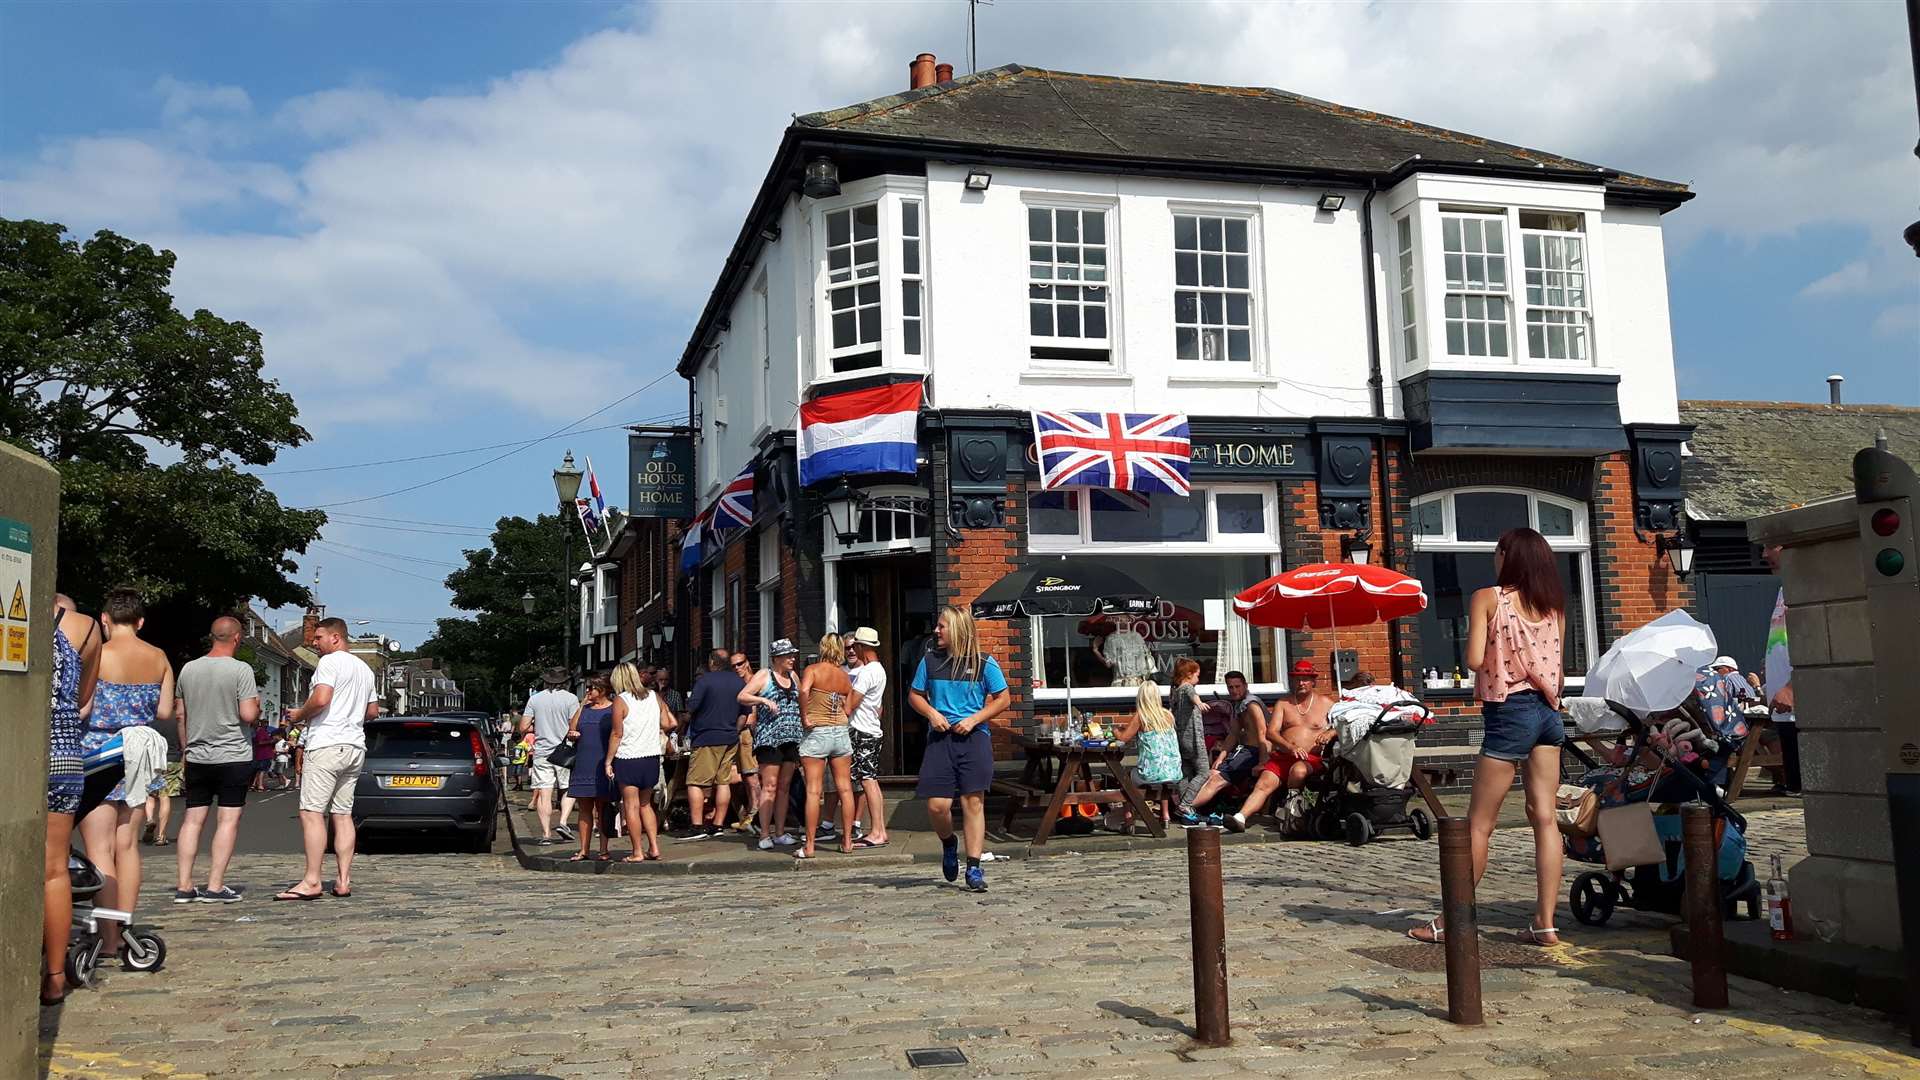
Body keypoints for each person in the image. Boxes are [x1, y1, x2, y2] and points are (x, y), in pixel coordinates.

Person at [1411, 527, 1566, 946]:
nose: (1494, 559)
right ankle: (1546, 921)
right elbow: (1558, 670)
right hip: (1549, 714)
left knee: (1480, 824)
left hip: (1509, 710)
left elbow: (1475, 658)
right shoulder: (1554, 607)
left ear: (1508, 557)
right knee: (1545, 817)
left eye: (1498, 552)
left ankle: (1450, 921)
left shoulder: (1488, 598)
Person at [78, 588, 175, 960]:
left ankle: (107, 936)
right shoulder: (159, 657)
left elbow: (82, 707)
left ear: (104, 620)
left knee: (98, 847)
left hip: (99, 754)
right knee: (128, 846)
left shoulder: (97, 654)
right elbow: (165, 710)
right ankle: (125, 924)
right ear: (140, 622)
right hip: (139, 754)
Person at [275, 617, 378, 901]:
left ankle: (312, 880)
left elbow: (321, 699)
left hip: (327, 743)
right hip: (354, 745)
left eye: (319, 638)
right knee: (342, 814)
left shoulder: (330, 663)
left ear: (335, 637)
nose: (314, 643)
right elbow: (372, 712)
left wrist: (299, 715)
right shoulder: (364, 669)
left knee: (311, 812)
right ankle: (343, 880)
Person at [911, 606, 1011, 891]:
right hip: (940, 740)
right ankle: (949, 843)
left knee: (973, 802)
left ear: (957, 629)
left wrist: (974, 719)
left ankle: (975, 867)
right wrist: (931, 713)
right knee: (937, 805)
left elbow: (1003, 699)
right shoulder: (929, 661)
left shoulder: (984, 663)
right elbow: (915, 696)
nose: (936, 630)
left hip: (974, 738)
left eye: (942, 626)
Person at [172, 616, 263, 904]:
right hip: (233, 754)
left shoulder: (188, 669)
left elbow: (180, 714)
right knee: (227, 820)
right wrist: (257, 709)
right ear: (237, 638)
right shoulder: (240, 670)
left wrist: (187, 749)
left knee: (192, 819)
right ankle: (214, 885)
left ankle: (185, 885)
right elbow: (248, 714)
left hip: (198, 754)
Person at [43, 595, 102, 1006]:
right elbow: (84, 697)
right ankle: (55, 976)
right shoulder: (85, 628)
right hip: (62, 753)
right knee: (53, 870)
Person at [1224, 661, 1335, 833]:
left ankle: (1293, 810)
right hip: (1284, 755)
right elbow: (1271, 733)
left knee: (1298, 771)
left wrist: (1330, 733)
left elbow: (1343, 724)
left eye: (1305, 679)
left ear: (1313, 681)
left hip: (1310, 758)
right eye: (1297, 679)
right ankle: (1240, 818)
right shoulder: (1284, 703)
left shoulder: (1327, 703)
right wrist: (1289, 747)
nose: (1301, 683)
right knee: (1264, 782)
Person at [796, 633, 858, 859]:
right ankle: (848, 841)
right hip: (840, 732)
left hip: (817, 731)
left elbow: (803, 691)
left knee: (813, 790)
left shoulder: (813, 670)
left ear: (822, 648)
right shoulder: (844, 676)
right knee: (845, 788)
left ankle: (810, 846)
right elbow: (848, 708)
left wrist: (805, 716)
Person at [1178, 671, 1270, 820]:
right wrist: (1221, 757)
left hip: (1255, 752)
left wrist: (1263, 762)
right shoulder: (1238, 705)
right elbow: (1233, 734)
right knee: (1212, 773)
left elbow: (1262, 733)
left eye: (1237, 686)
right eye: (1230, 687)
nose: (1234, 690)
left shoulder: (1252, 704)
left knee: (1216, 779)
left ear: (1245, 685)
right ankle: (1188, 807)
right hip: (1244, 751)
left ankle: (1187, 807)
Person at [740, 638, 803, 849]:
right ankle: (764, 833)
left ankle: (780, 832)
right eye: (788, 656)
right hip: (770, 739)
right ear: (777, 658)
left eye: (793, 655)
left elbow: (802, 699)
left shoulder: (794, 676)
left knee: (784, 787)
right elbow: (742, 696)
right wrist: (763, 700)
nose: (792, 659)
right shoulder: (764, 675)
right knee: (770, 786)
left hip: (791, 737)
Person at [683, 649, 746, 839]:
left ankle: (697, 826)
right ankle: (718, 825)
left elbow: (691, 707)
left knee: (695, 782)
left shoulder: (705, 681)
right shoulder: (738, 682)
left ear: (712, 662)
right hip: (730, 737)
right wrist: (735, 730)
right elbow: (745, 712)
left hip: (706, 737)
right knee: (723, 781)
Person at [608, 663, 666, 862]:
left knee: (631, 806)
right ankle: (655, 847)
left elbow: (617, 734)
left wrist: (608, 760)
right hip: (651, 756)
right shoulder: (654, 696)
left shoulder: (620, 700)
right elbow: (667, 722)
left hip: (629, 758)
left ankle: (637, 852)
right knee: (645, 804)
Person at [522, 667, 580, 845]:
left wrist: (537, 727)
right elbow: (574, 726)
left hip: (542, 751)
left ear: (546, 680)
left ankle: (546, 834)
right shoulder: (571, 699)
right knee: (569, 788)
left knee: (544, 792)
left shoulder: (535, 699)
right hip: (564, 751)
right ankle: (563, 822)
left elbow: (523, 727)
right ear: (565, 681)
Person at [1114, 677, 1182, 827]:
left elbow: (1123, 738)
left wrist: (1115, 730)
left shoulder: (1141, 716)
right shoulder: (1168, 715)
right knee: (1163, 775)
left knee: (1125, 778)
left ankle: (1129, 818)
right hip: (1174, 772)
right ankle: (1165, 816)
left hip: (1151, 773)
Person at [1761, 545, 1802, 796]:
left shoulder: (1803, 586)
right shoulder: (1783, 589)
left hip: (1797, 705)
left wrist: (1790, 687)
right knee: (1796, 791)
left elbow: (1817, 644)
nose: (1764, 555)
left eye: (1770, 546)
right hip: (1784, 710)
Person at [846, 626, 890, 848]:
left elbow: (850, 704)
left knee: (868, 780)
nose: (854, 650)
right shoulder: (879, 670)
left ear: (862, 647)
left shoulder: (867, 672)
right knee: (870, 779)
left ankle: (876, 832)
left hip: (862, 731)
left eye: (855, 646)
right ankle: (879, 830)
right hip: (871, 728)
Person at [567, 673, 619, 862]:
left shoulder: (613, 709)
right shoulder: (585, 709)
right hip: (583, 762)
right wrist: (581, 705)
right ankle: (584, 849)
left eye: (592, 688)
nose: (588, 691)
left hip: (602, 762)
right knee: (584, 808)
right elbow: (572, 727)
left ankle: (604, 849)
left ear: (603, 690)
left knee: (603, 808)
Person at [1167, 658, 1209, 823]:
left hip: (1180, 738)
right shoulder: (1186, 687)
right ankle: (1185, 804)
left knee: (1185, 774)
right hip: (1193, 739)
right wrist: (1200, 703)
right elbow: (1192, 695)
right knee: (1204, 771)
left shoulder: (1175, 690)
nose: (1198, 679)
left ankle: (1184, 811)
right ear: (1189, 674)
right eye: (1197, 675)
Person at [729, 652, 762, 833]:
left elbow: (752, 716)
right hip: (739, 734)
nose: (737, 668)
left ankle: (753, 817)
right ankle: (747, 815)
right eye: (733, 665)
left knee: (751, 777)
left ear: (747, 663)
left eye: (740, 663)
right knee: (740, 778)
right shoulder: (737, 684)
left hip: (748, 734)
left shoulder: (753, 683)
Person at [249, 718, 275, 792]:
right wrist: (271, 741)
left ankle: (254, 785)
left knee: (258, 770)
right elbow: (260, 742)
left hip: (259, 753)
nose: (266, 724)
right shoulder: (261, 731)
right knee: (262, 770)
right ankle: (260, 786)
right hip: (263, 753)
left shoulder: (258, 731)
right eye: (264, 723)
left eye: (267, 722)